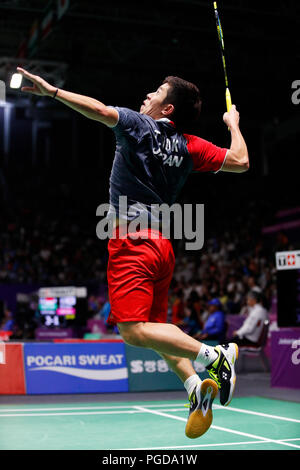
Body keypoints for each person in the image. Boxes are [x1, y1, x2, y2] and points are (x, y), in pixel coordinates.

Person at [17, 66, 249, 439]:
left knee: (132, 331)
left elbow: (99, 110)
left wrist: (53, 93)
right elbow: (240, 161)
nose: (148, 95)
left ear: (168, 108)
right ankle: (194, 389)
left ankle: (214, 356)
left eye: (157, 91)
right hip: (163, 246)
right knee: (156, 331)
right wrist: (232, 123)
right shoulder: (190, 144)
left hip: (131, 243)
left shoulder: (138, 125)